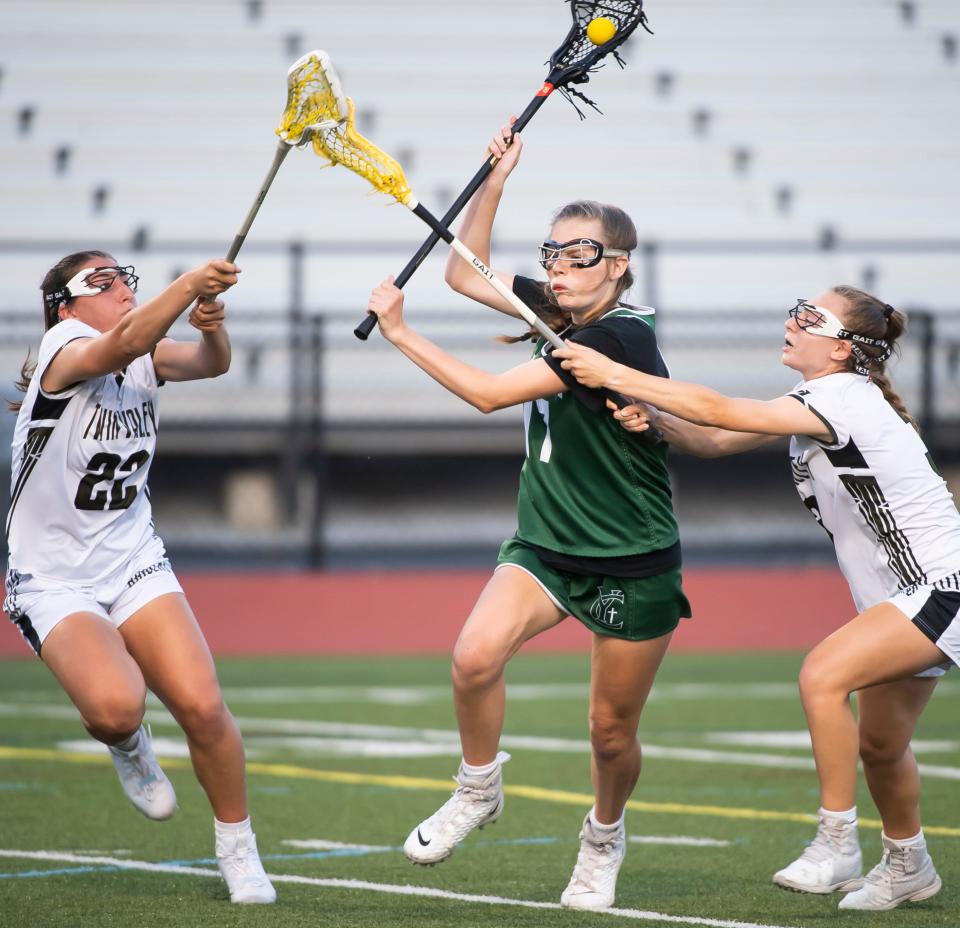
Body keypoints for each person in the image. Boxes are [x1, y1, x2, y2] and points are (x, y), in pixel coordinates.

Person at [362, 122, 691, 911]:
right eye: (551, 252)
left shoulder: (619, 336)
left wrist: (401, 335)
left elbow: (485, 393)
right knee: (473, 657)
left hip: (630, 555)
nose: (558, 266)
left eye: (578, 253)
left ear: (617, 265)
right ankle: (478, 789)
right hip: (544, 545)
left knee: (609, 733)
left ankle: (603, 838)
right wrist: (496, 180)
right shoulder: (562, 307)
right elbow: (462, 273)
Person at [554, 287, 956, 912]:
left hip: (941, 587)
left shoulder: (843, 397)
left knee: (822, 676)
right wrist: (653, 417)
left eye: (810, 319)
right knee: (881, 745)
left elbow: (717, 408)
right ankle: (908, 864)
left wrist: (612, 372)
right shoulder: (816, 401)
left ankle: (836, 840)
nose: (792, 323)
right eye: (797, 309)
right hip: (898, 600)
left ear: (844, 349)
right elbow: (712, 439)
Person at [3, 252, 276, 905]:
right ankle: (130, 743)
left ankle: (238, 851)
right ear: (65, 307)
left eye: (125, 276)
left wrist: (210, 324)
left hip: (131, 557)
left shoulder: (142, 353)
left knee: (204, 706)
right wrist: (189, 286)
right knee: (115, 705)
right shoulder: (64, 348)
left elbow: (214, 363)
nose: (122, 287)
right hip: (51, 575)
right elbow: (126, 340)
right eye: (102, 282)